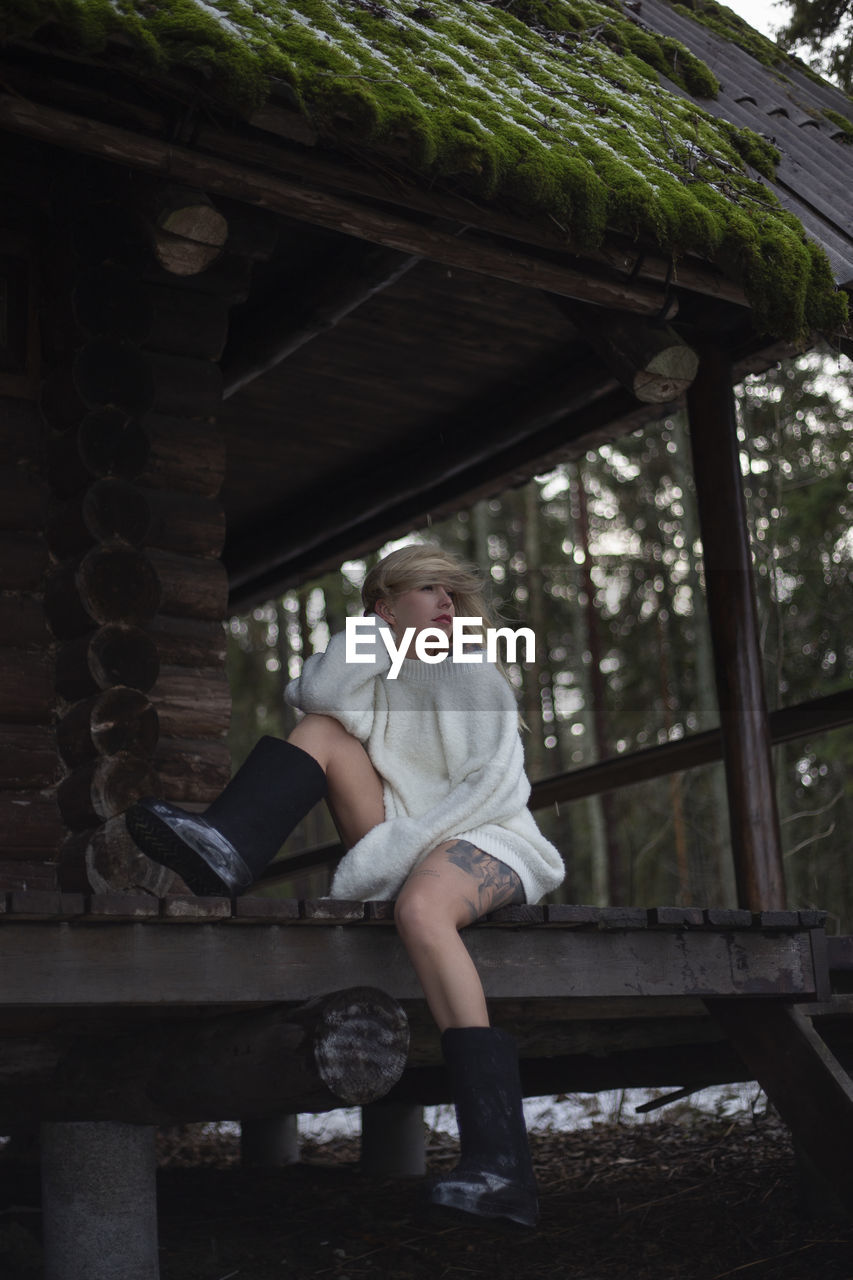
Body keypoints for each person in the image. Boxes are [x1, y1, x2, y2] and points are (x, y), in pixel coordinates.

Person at [126, 543, 565, 1228]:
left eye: (451, 591)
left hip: (488, 838)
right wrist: (371, 632)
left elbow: (493, 790)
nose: (447, 602)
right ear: (386, 609)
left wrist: (405, 854)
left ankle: (502, 1165)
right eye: (427, 589)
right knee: (321, 728)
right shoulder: (376, 671)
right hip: (406, 837)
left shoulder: (472, 677)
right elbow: (319, 695)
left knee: (422, 911)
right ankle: (229, 846)